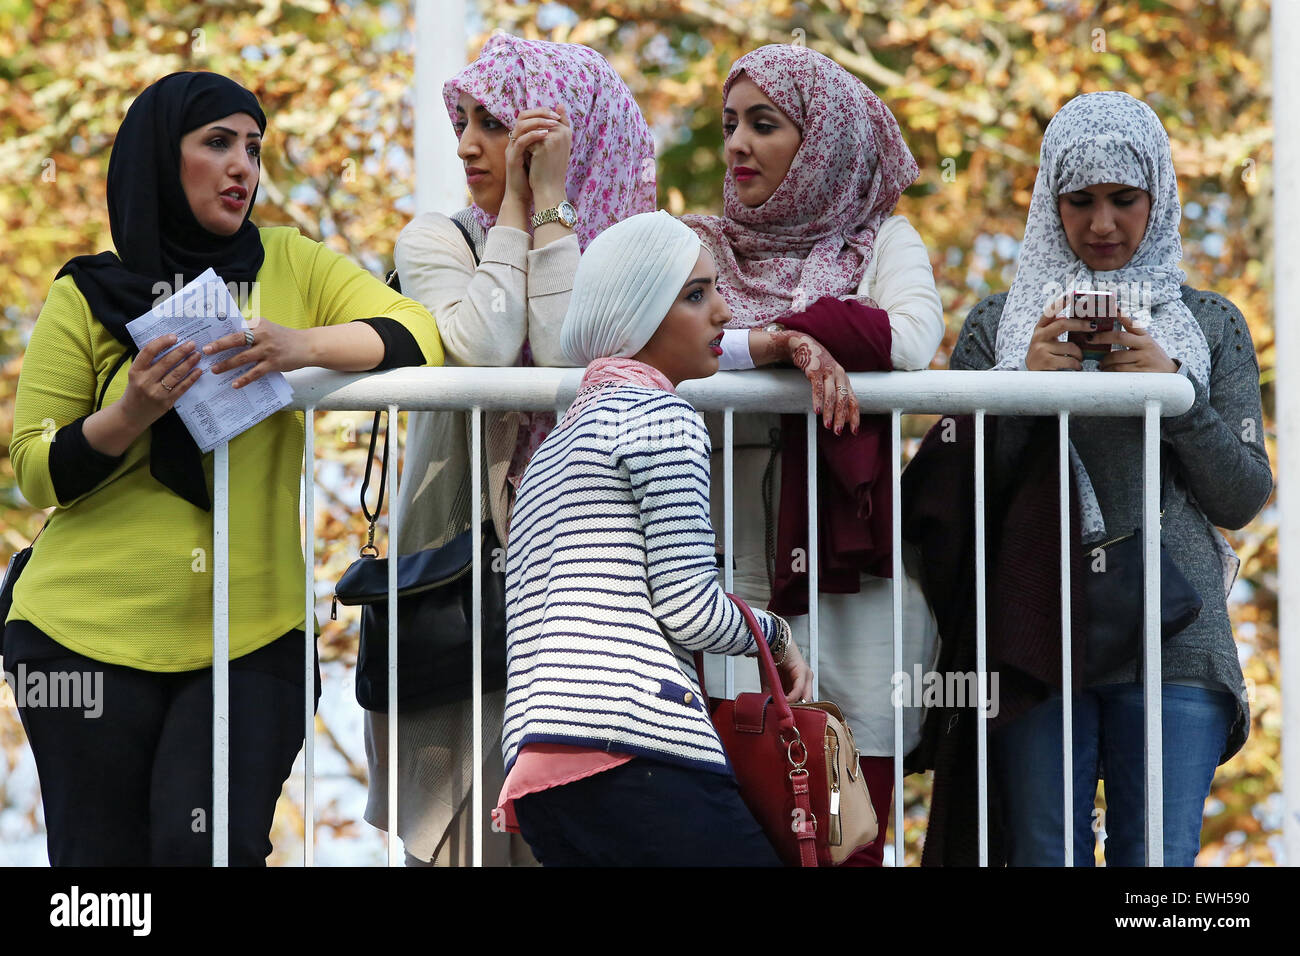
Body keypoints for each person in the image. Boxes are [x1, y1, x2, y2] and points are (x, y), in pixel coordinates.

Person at [3, 72, 441, 866]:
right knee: (102, 880)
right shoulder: (87, 291)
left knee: (202, 850)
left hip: (253, 635)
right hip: (80, 635)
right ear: (158, 158)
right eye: (217, 143)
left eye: (254, 146)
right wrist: (131, 411)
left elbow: (418, 332)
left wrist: (301, 346)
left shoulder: (290, 262)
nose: (244, 165)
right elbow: (34, 470)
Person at [950, 91, 1271, 865]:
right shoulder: (1000, 327)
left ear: (1158, 198)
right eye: (1080, 200)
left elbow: (1242, 497)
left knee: (1155, 865)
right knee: (1042, 853)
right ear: (1048, 201)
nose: (1101, 225)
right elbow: (953, 494)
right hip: (1035, 632)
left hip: (1178, 639)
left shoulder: (1211, 323)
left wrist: (1175, 395)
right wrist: (1023, 389)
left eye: (1125, 200)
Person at [361, 34, 656, 867]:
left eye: (493, 124)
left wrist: (555, 207)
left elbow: (567, 346)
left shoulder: (641, 255)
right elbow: (489, 346)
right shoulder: (436, 239)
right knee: (473, 840)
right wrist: (526, 214)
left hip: (595, 590)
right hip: (469, 591)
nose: (464, 146)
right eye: (462, 121)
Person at [680, 44, 945, 865]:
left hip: (851, 575)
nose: (736, 147)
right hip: (723, 574)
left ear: (823, 143)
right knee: (734, 813)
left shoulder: (881, 240)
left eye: (764, 124)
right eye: (730, 126)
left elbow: (909, 341)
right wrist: (771, 346)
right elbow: (652, 339)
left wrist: (803, 331)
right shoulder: (696, 244)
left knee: (845, 819)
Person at [496, 209, 812, 866]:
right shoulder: (662, 419)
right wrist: (776, 636)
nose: (724, 311)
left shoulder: (555, 449)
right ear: (639, 315)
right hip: (633, 743)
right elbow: (688, 607)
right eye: (696, 295)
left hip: (540, 765)